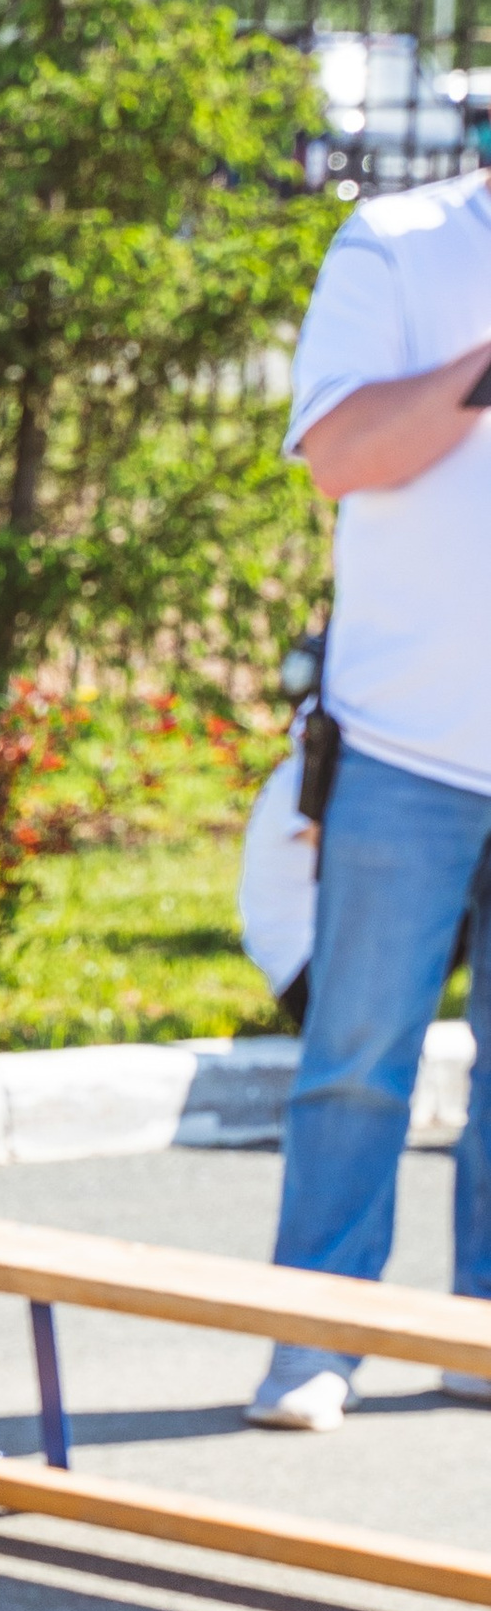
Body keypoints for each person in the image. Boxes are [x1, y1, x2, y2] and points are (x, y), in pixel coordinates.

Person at [249, 168, 491, 1431]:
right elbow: (338, 455)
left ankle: (475, 1338)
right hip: (410, 746)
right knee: (354, 1060)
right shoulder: (400, 242)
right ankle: (318, 1339)